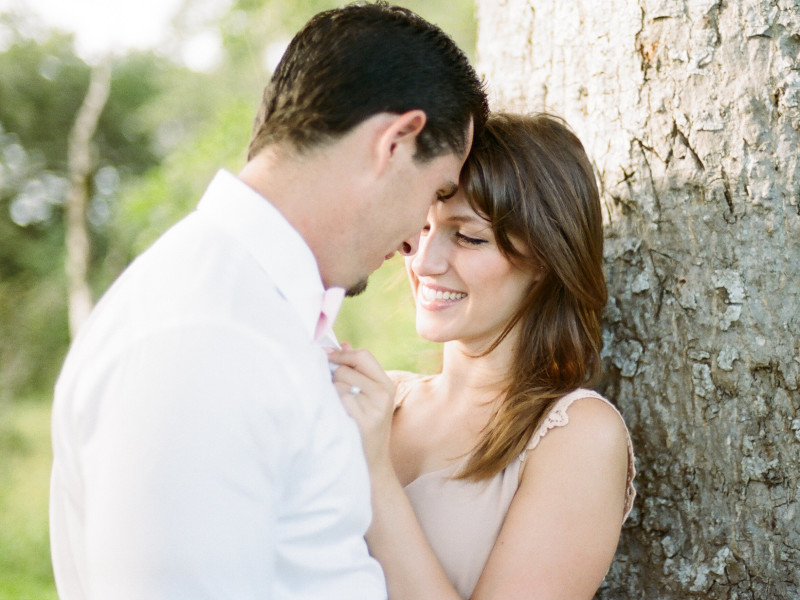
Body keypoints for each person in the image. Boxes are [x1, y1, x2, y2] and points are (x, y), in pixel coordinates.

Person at [49, 3, 487, 599]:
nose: (417, 236)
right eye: (435, 190)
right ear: (395, 141)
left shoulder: (267, 311)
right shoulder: (204, 335)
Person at [328, 112, 636, 600]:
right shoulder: (381, 398)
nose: (424, 264)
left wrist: (374, 476)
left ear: (544, 257)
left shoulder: (576, 434)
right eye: (422, 227)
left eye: (468, 237)